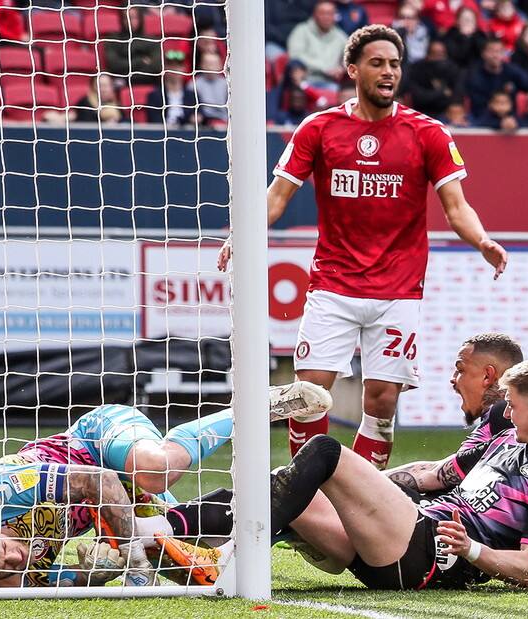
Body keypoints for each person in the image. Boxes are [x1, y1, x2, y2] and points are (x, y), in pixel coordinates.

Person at [217, 24, 508, 469]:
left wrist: (482, 239)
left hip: (398, 290)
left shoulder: (427, 133)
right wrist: (241, 235)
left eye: (394, 64)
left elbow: (456, 206)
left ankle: (364, 505)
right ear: (352, 69)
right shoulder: (319, 128)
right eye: (377, 63)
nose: (388, 71)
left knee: (383, 398)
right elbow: (276, 195)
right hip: (334, 284)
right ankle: (309, 497)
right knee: (309, 394)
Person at [0, 381, 333, 587]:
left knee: (155, 469)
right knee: (189, 563)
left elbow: (101, 482)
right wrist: (102, 568)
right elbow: (87, 578)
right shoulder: (11, 580)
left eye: (3, 549)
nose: (15, 559)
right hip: (113, 508)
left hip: (98, 445)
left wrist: (126, 554)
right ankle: (290, 520)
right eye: (2, 567)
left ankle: (256, 407)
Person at [266, 357, 528, 589]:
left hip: (429, 555)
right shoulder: (505, 436)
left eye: (512, 406)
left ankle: (245, 546)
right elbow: (435, 473)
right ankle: (217, 562)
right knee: (280, 483)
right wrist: (367, 485)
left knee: (324, 450)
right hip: (402, 534)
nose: (506, 414)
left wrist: (471, 548)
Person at [466, 37, 528, 118]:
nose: (495, 55)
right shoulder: (475, 77)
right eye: (491, 51)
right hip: (484, 122)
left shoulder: (514, 72)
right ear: (483, 53)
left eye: (499, 52)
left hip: (512, 121)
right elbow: (478, 110)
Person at [287, 0, 350, 87]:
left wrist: (341, 68)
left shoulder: (340, 36)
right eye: (322, 13)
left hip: (330, 82)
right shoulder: (301, 31)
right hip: (305, 80)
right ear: (314, 15)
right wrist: (325, 68)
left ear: (335, 16)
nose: (326, 17)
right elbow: (295, 55)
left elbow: (349, 58)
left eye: (330, 13)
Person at [402, 38, 464, 119]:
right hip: (421, 114)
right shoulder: (416, 69)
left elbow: (458, 95)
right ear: (427, 54)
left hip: (447, 114)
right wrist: (442, 93)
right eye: (434, 54)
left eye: (440, 54)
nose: (437, 58)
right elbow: (418, 96)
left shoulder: (453, 69)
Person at [105, 6, 163, 86]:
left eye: (133, 17)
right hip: (122, 81)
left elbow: (157, 66)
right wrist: (141, 61)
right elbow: (114, 65)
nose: (129, 21)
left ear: (140, 19)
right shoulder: (114, 39)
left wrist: (127, 65)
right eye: (126, 18)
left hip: (149, 81)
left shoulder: (152, 40)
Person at [146, 50, 198, 126]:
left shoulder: (192, 96)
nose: (175, 69)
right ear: (165, 68)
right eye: (171, 66)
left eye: (178, 66)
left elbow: (198, 117)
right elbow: (154, 122)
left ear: (184, 68)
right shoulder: (155, 96)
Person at [192, 51, 229, 125]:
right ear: (201, 65)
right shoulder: (194, 84)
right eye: (207, 64)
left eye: (214, 64)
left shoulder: (226, 84)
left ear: (220, 65)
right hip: (203, 124)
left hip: (225, 122)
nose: (210, 67)